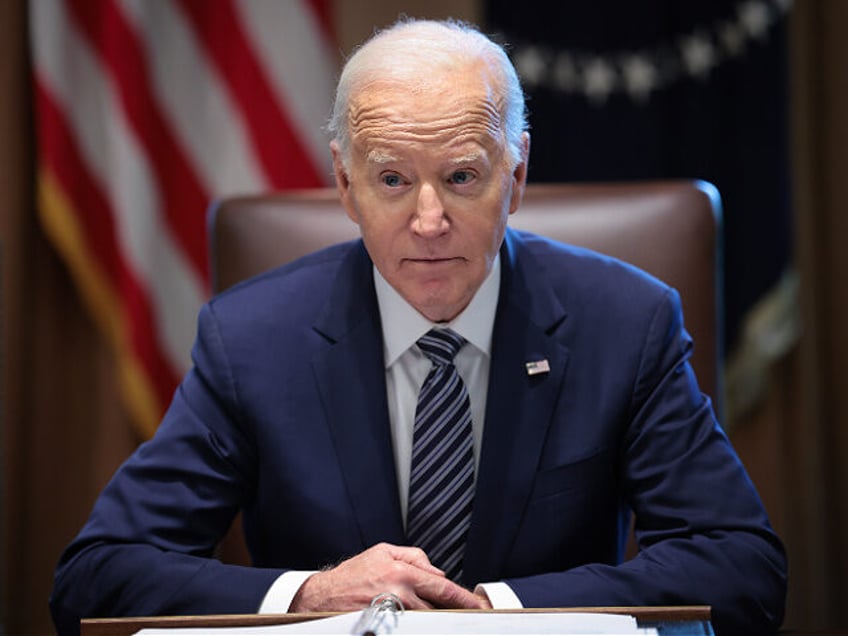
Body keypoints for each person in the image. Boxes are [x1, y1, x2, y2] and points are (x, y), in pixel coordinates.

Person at [50, 18, 786, 636]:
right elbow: (97, 574)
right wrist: (310, 596)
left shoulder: (625, 322)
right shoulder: (251, 340)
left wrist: (499, 609)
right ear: (345, 183)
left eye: (463, 177)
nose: (429, 222)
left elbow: (742, 567)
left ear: (517, 174)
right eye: (393, 180)